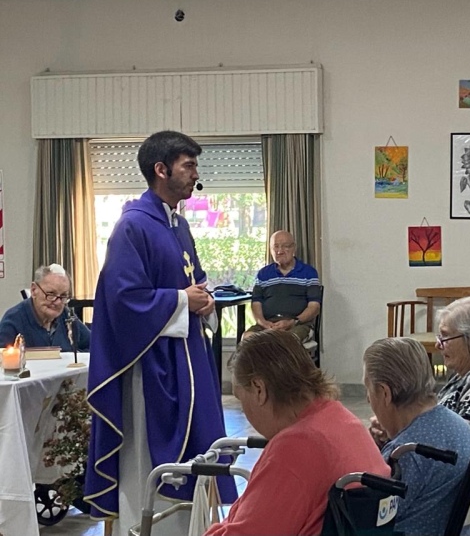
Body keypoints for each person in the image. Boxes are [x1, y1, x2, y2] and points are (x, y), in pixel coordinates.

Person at [85, 131, 233, 534]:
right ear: (161, 169)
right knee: (147, 460)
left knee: (199, 451)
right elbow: (123, 301)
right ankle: (149, 527)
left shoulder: (178, 225)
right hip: (151, 370)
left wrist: (204, 299)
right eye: (189, 166)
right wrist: (184, 301)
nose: (195, 174)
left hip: (189, 362)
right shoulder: (132, 228)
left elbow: (194, 281)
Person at [206, 330, 390, 535]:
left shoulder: (297, 446)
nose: (244, 411)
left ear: (259, 389)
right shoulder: (340, 417)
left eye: (240, 399)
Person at [363, 337, 470, 536]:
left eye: (368, 389)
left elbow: (370, 519)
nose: (368, 399)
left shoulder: (407, 454)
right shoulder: (457, 425)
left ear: (385, 393)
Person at [369, 296, 470, 446]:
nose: (438, 345)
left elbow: (452, 442)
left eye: (446, 336)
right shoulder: (462, 377)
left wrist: (397, 429)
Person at [249, 230, 321, 342]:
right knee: (248, 338)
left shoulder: (309, 273)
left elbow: (314, 307)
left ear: (294, 248)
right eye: (275, 247)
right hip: (268, 324)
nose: (280, 251)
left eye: (285, 246)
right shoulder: (263, 274)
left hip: (297, 325)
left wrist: (293, 322)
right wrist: (263, 323)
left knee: (286, 341)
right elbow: (256, 304)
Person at [0, 263, 90, 351]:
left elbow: (94, 346)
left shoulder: (67, 316)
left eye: (63, 296)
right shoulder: (13, 321)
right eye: (51, 294)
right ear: (34, 290)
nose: (58, 302)